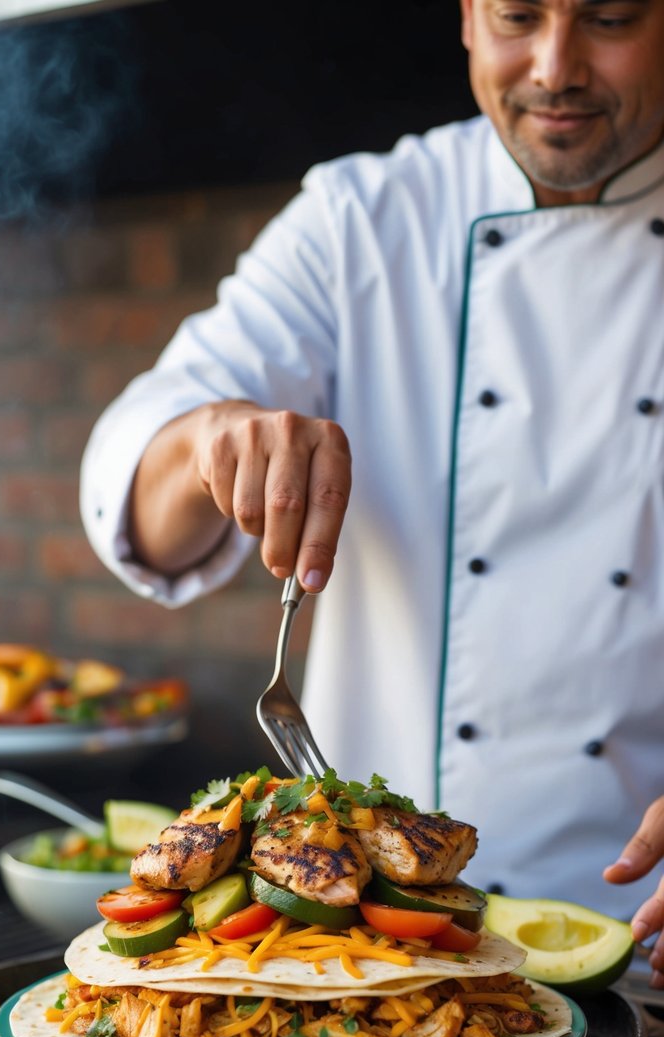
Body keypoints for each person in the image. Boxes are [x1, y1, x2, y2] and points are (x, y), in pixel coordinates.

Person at [81, 0, 664, 985]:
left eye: (609, 17)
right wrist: (214, 437)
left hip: (638, 942)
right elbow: (135, 489)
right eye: (520, 14)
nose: (557, 67)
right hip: (359, 948)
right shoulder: (365, 218)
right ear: (471, 17)